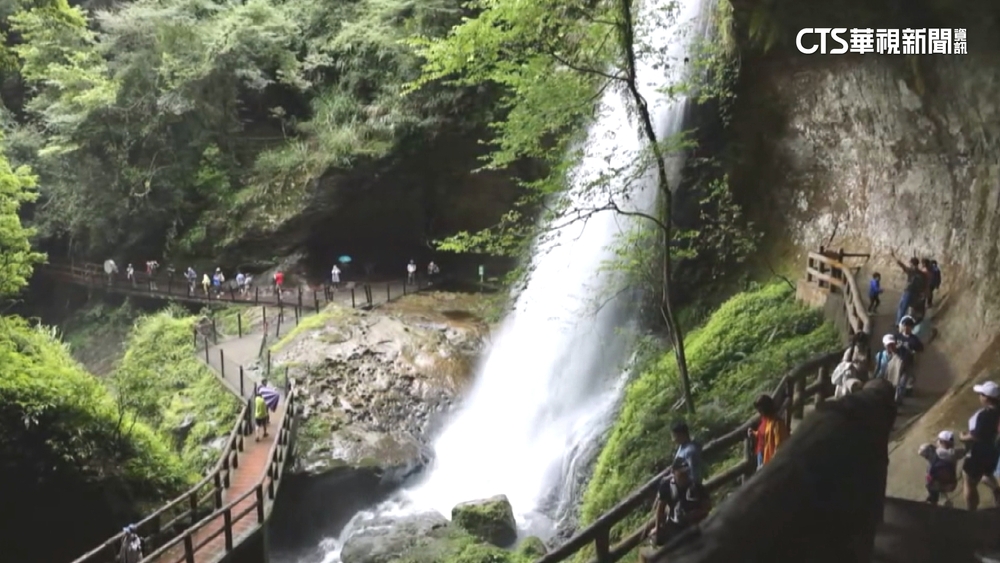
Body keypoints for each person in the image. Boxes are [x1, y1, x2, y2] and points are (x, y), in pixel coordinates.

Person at [639, 458, 711, 560]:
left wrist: (696, 515)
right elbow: (660, 509)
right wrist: (658, 529)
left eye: (686, 473)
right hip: (674, 525)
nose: (684, 477)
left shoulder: (695, 486)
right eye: (681, 474)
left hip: (694, 525)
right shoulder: (666, 486)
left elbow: (707, 507)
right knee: (658, 540)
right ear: (674, 472)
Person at [960, 381, 1000, 511]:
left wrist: (963, 437)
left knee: (968, 480)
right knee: (986, 474)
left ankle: (971, 510)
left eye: (981, 394)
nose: (979, 397)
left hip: (979, 453)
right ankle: (996, 490)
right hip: (993, 452)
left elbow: (976, 436)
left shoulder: (985, 415)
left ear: (986, 398)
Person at [918, 430, 963, 506]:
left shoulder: (932, 452)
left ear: (941, 441)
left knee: (933, 489)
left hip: (933, 484)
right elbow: (965, 451)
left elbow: (920, 451)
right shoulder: (955, 453)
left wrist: (930, 445)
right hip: (950, 484)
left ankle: (934, 501)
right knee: (942, 491)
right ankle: (944, 502)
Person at [747, 394, 789, 469]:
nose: (759, 413)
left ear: (766, 409)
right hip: (762, 455)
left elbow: (779, 445)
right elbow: (763, 434)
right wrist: (753, 433)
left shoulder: (777, 423)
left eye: (760, 410)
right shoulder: (766, 420)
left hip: (770, 460)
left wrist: (771, 463)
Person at [873, 334, 910, 405]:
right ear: (884, 345)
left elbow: (903, 369)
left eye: (892, 344)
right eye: (888, 345)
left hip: (894, 381)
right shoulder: (880, 355)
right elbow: (878, 367)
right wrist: (874, 378)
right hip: (883, 379)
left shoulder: (901, 355)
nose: (891, 347)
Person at [890, 250, 925, 325]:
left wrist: (894, 256)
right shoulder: (921, 274)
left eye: (911, 264)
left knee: (902, 307)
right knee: (911, 308)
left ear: (912, 264)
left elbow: (901, 265)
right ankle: (908, 323)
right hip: (916, 293)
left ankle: (899, 322)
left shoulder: (911, 271)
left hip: (908, 291)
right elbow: (924, 285)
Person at [895, 316, 924, 396]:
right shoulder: (897, 336)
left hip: (908, 362)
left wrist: (913, 351)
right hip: (897, 360)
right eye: (905, 325)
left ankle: (900, 395)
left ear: (911, 328)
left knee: (903, 380)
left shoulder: (914, 339)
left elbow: (921, 349)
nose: (906, 328)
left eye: (908, 326)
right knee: (895, 378)